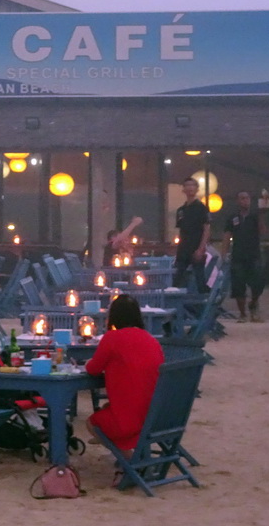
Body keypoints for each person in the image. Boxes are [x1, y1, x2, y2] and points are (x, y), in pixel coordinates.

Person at [85, 295, 164, 485]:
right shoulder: (150, 339)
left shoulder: (112, 338)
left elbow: (93, 369)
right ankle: (134, 458)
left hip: (132, 421)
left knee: (92, 423)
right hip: (156, 416)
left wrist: (87, 362)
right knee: (107, 406)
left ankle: (129, 460)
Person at [222, 191, 266, 322]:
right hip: (238, 255)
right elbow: (227, 235)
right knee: (238, 285)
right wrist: (224, 253)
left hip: (254, 254)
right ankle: (242, 314)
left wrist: (262, 216)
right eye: (241, 198)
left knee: (258, 283)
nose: (244, 201)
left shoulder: (255, 216)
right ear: (237, 201)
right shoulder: (232, 218)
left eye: (246, 198)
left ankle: (253, 303)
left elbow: (262, 231)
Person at [173, 177, 210, 293]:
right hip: (183, 249)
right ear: (183, 189)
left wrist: (201, 249)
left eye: (192, 185)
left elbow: (207, 229)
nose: (190, 188)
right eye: (187, 185)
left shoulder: (201, 208)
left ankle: (204, 306)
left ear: (197, 189)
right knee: (178, 280)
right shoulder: (181, 210)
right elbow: (181, 231)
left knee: (200, 279)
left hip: (196, 247)